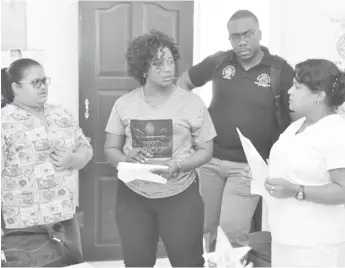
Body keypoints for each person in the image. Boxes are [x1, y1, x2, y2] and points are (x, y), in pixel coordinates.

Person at [177, 9, 297, 251]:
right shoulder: (220, 61)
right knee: (207, 230)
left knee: (231, 234)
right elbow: (183, 83)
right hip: (209, 161)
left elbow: (294, 118)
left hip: (247, 167)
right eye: (235, 37)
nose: (241, 41)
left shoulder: (279, 69)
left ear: (259, 33)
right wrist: (194, 118)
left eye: (247, 34)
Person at [104, 29, 216, 267]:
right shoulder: (124, 104)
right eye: (158, 63)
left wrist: (177, 165)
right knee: (137, 262)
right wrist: (127, 157)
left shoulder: (192, 103)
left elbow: (206, 150)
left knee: (188, 262)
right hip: (134, 197)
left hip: (180, 196)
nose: (168, 68)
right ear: (143, 68)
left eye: (170, 61)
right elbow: (110, 150)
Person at [1, 59, 93, 265]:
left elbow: (86, 149)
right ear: (15, 87)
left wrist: (73, 159)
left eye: (44, 80)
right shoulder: (4, 121)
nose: (43, 86)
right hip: (22, 224)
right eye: (35, 82)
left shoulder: (60, 114)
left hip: (64, 218)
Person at [265, 59, 345, 267]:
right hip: (285, 237)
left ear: (319, 95)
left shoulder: (336, 132)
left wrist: (295, 190)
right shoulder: (298, 125)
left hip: (316, 246)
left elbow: (343, 190)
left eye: (297, 87)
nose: (289, 91)